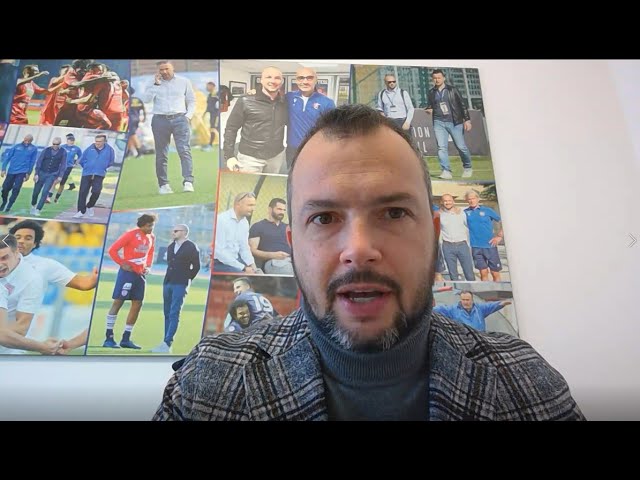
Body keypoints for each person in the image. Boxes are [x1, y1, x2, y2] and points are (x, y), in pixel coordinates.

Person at [153, 104, 584, 421]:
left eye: (394, 213)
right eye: (324, 218)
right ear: (293, 244)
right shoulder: (209, 384)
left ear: (434, 234)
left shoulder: (527, 384)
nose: (359, 249)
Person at [140, 60, 196, 195]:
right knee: (161, 154)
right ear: (157, 70)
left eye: (167, 69)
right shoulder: (151, 82)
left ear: (172, 68)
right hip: (160, 120)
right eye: (161, 69)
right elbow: (146, 100)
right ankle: (163, 185)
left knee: (184, 150)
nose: (164, 72)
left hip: (180, 119)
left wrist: (188, 116)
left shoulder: (184, 81)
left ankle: (188, 182)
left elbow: (191, 100)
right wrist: (156, 85)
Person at [103, 213, 156, 349]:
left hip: (140, 275)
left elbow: (150, 252)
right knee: (118, 302)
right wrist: (122, 263)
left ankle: (126, 339)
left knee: (138, 303)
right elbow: (112, 250)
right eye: (149, 226)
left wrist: (148, 266)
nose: (151, 228)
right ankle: (108, 338)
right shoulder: (130, 235)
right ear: (142, 226)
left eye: (152, 225)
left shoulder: (151, 237)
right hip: (127, 274)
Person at [223, 66, 288, 174]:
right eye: (268, 77)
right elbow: (231, 128)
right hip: (250, 158)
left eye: (277, 78)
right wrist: (229, 155)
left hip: (276, 157)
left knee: (270, 184)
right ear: (261, 80)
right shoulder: (245, 100)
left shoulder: (284, 102)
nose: (272, 81)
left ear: (281, 82)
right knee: (248, 185)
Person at [151, 224, 200, 354]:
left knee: (174, 312)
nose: (173, 232)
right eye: (172, 230)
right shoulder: (171, 246)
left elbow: (196, 266)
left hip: (181, 283)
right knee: (167, 312)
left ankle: (168, 342)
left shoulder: (191, 246)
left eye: (176, 231)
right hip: (168, 282)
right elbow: (170, 263)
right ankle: (165, 343)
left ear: (184, 232)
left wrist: (187, 278)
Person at [10, 219, 98, 291]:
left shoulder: (45, 264)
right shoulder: (5, 260)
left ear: (35, 244)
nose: (21, 241)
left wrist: (95, 277)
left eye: (28, 238)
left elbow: (84, 283)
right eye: (17, 237)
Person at [0, 234, 51, 355]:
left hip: (8, 352)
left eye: (4, 258)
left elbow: (21, 328)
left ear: (16, 252)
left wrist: (2, 334)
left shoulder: (31, 279)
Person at [284, 67, 336, 170]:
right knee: (292, 176)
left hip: (315, 150)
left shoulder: (327, 102)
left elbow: (332, 129)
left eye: (309, 78)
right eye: (301, 78)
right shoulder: (288, 97)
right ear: (296, 80)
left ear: (316, 80)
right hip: (292, 150)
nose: (305, 81)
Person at [425, 69, 473, 180]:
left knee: (461, 147)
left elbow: (462, 105)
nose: (437, 80)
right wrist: (429, 109)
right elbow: (430, 105)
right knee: (441, 147)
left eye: (439, 78)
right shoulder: (431, 92)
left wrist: (467, 120)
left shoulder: (452, 90)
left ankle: (468, 167)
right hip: (438, 122)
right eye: (435, 78)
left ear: (444, 78)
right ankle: (446, 171)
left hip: (454, 122)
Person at [212, 192, 259, 274]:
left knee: (256, 275)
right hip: (218, 262)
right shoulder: (221, 220)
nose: (253, 209)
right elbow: (218, 251)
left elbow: (244, 248)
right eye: (250, 205)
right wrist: (243, 268)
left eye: (254, 205)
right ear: (238, 204)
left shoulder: (244, 222)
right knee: (244, 276)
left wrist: (254, 267)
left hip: (235, 261)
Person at [464, 189, 503, 282]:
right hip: (476, 246)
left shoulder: (487, 210)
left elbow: (504, 221)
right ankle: (486, 290)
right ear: (467, 200)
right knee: (483, 273)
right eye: (469, 199)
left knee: (495, 272)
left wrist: (499, 236)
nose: (471, 201)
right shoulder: (465, 212)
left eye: (473, 198)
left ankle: (498, 290)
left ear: (478, 199)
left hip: (490, 245)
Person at [73, 134, 115, 219]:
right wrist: (86, 166)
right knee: (83, 192)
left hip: (99, 174)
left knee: (96, 191)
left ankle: (90, 205)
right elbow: (82, 160)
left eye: (100, 141)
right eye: (96, 141)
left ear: (104, 141)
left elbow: (111, 161)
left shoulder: (110, 150)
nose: (97, 143)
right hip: (87, 173)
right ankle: (81, 211)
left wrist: (102, 167)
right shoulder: (89, 149)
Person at [248, 197, 292, 275]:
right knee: (295, 272)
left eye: (284, 210)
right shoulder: (258, 226)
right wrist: (273, 255)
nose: (282, 212)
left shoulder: (288, 227)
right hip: (273, 262)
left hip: (290, 261)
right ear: (270, 209)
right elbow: (252, 250)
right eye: (279, 209)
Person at [434, 291, 511, 332]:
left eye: (467, 300)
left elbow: (492, 305)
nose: (465, 302)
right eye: (463, 300)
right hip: (464, 341)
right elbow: (439, 309)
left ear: (472, 300)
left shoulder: (480, 308)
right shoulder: (453, 309)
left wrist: (503, 303)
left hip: (481, 339)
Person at [439, 193, 475, 281]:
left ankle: (472, 289)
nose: (447, 203)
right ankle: (457, 289)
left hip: (462, 245)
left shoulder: (461, 213)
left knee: (469, 272)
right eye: (445, 201)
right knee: (453, 274)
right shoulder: (439, 214)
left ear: (453, 201)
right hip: (447, 246)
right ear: (442, 202)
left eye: (449, 200)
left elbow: (472, 226)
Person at [1, 134, 38, 213]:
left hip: (22, 172)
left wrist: (28, 173)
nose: (27, 142)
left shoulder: (33, 149)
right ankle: (4, 202)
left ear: (31, 141)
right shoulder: (16, 146)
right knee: (5, 189)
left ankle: (9, 205)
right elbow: (8, 157)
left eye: (29, 141)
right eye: (26, 140)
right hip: (11, 171)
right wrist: (3, 169)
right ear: (24, 138)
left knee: (16, 188)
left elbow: (32, 162)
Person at [30, 137, 66, 216]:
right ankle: (33, 205)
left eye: (57, 144)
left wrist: (60, 176)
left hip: (52, 174)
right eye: (54, 144)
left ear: (60, 144)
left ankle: (38, 209)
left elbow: (63, 165)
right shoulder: (46, 150)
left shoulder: (63, 152)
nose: (55, 145)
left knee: (45, 192)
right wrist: (36, 173)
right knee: (35, 192)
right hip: (41, 173)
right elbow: (39, 161)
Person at [46, 133, 82, 204]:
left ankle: (56, 198)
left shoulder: (76, 148)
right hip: (59, 166)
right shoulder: (62, 147)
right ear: (67, 140)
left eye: (72, 141)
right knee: (55, 181)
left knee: (62, 184)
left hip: (68, 167)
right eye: (70, 140)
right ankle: (49, 197)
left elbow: (81, 156)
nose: (71, 142)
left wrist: (76, 163)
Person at [204, 81, 219, 151]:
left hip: (216, 115)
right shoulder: (210, 95)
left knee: (215, 129)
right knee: (213, 129)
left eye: (208, 86)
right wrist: (205, 113)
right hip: (212, 115)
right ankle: (210, 145)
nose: (207, 87)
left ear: (212, 86)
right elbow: (209, 106)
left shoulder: (217, 94)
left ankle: (211, 145)